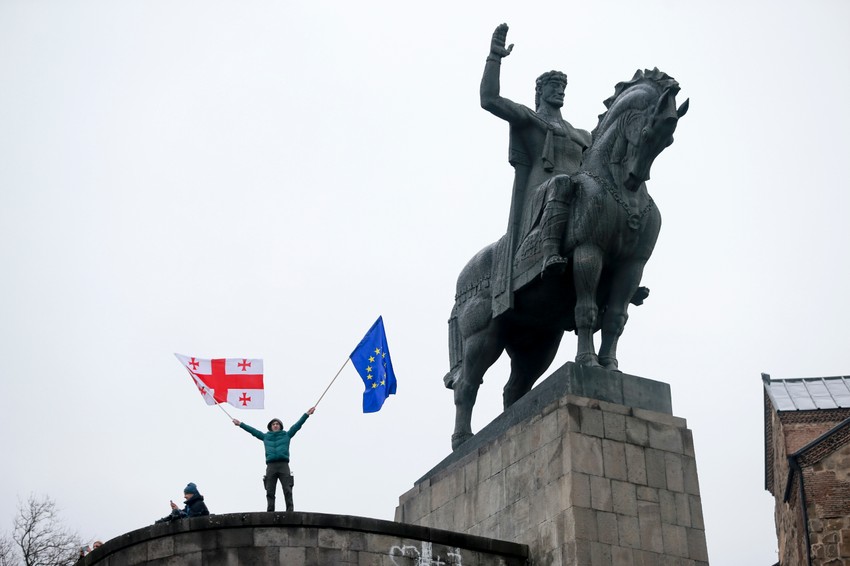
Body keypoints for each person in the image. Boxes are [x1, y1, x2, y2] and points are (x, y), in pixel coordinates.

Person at [481, 23, 592, 309]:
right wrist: (495, 57)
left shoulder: (580, 134)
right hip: (540, 196)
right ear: (541, 91)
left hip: (576, 193)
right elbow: (489, 100)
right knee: (562, 183)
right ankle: (550, 251)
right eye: (555, 86)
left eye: (563, 87)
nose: (560, 91)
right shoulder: (530, 119)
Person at [233, 407, 315, 512]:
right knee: (270, 490)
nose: (275, 425)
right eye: (273, 424)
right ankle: (270, 512)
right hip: (271, 466)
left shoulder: (287, 435)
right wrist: (240, 424)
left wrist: (307, 414)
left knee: (287, 489)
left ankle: (290, 511)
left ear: (280, 426)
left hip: (283, 465)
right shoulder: (265, 436)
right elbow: (253, 431)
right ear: (271, 427)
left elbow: (297, 425)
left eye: (277, 424)